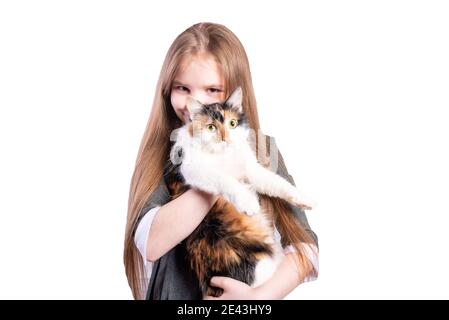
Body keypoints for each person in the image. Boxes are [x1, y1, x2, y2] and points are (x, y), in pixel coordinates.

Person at [123, 22, 319, 300]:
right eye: (183, 88)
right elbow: (151, 242)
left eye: (213, 90)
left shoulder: (263, 149)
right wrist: (222, 178)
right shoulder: (165, 153)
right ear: (167, 89)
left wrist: (259, 297)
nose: (197, 102)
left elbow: (304, 245)